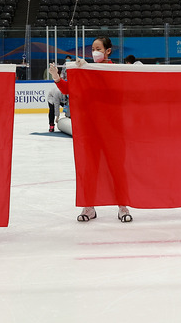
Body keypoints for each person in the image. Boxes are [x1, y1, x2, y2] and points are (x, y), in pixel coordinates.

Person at [48, 37, 133, 223]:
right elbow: (71, 89)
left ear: (108, 51)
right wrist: (57, 78)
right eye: (92, 48)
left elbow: (119, 90)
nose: (94, 52)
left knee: (116, 168)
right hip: (90, 129)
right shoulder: (85, 70)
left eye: (98, 48)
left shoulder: (115, 70)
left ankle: (122, 205)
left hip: (113, 130)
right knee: (89, 168)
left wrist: (90, 72)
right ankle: (89, 207)